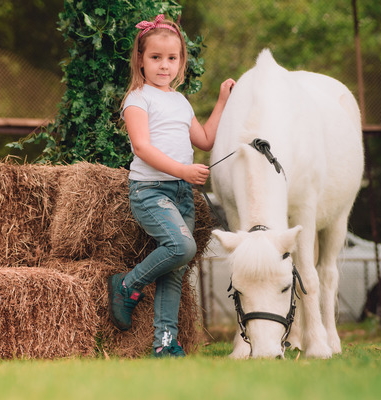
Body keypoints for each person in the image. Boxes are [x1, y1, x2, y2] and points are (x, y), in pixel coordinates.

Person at [107, 14, 236, 358]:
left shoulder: (180, 101)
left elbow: (205, 139)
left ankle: (165, 344)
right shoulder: (138, 99)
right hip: (150, 192)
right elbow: (142, 148)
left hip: (181, 194)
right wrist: (182, 169)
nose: (164, 65)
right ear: (140, 60)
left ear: (181, 63)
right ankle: (126, 285)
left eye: (172, 58)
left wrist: (223, 100)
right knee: (181, 247)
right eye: (155, 57)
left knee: (175, 273)